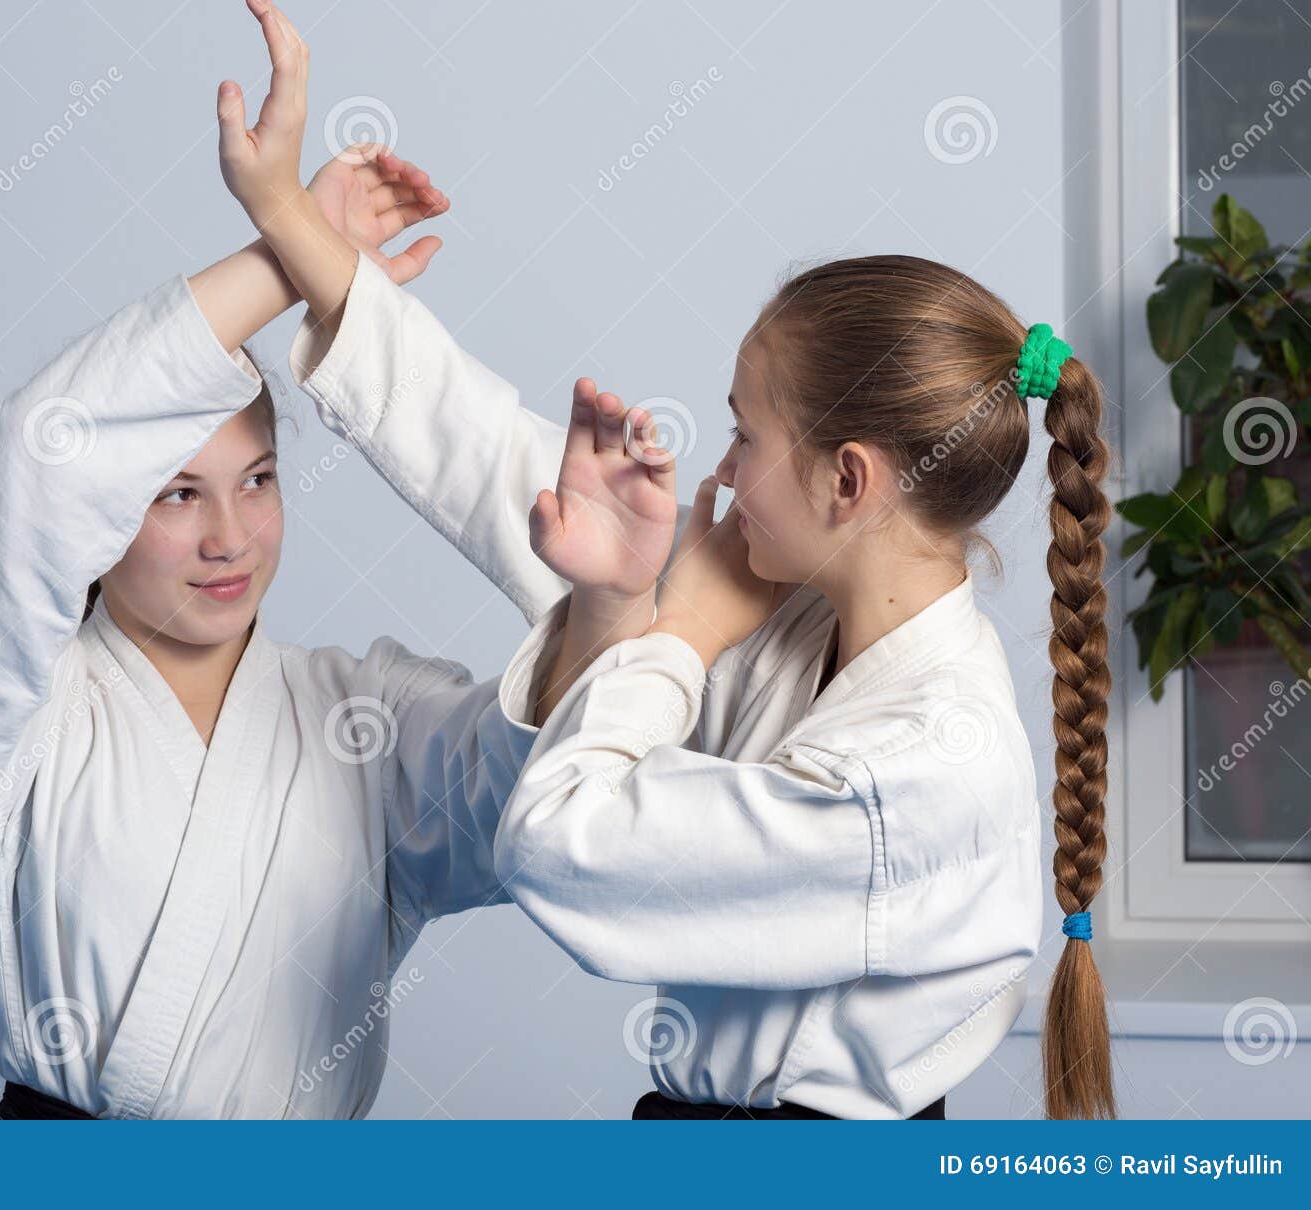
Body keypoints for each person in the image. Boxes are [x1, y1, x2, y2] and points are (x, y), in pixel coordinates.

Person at [234, 0, 1114, 1120]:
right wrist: (302, 244)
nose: (724, 470)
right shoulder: (806, 627)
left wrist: (680, 627)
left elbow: (562, 842)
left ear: (848, 481)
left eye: (746, 433)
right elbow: (514, 480)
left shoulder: (920, 768)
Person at [0, 0, 665, 1116]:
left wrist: (608, 600)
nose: (229, 535)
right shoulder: (13, 699)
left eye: (257, 480)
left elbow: (536, 790)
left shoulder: (361, 721)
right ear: (108, 501)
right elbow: (34, 460)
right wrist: (291, 246)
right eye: (175, 494)